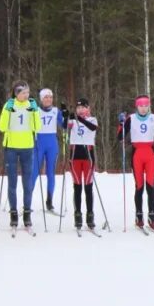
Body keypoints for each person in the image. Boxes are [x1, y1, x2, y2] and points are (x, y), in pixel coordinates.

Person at [117, 95, 154, 230]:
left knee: (150, 186)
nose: (144, 108)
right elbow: (120, 137)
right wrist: (121, 124)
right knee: (139, 187)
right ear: (137, 106)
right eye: (141, 106)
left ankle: (152, 215)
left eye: (146, 106)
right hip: (137, 154)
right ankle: (139, 215)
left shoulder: (153, 118)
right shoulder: (131, 119)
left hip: (150, 154)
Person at [0, 81, 41, 230]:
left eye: (28, 92)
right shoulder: (9, 105)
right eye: (23, 93)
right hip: (11, 147)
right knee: (12, 183)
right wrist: (7, 111)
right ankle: (13, 213)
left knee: (27, 183)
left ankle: (27, 213)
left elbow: (37, 127)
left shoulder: (31, 105)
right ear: (17, 93)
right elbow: (2, 127)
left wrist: (35, 112)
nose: (26, 95)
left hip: (27, 148)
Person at [65, 98, 98, 230]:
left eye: (83, 108)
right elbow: (64, 125)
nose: (80, 110)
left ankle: (90, 215)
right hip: (75, 156)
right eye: (78, 108)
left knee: (88, 188)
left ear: (88, 108)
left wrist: (80, 119)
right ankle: (77, 215)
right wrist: (65, 115)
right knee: (77, 187)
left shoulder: (92, 119)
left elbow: (93, 128)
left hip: (88, 156)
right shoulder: (73, 120)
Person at [31, 88, 64, 212]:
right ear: (41, 99)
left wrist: (66, 115)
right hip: (38, 143)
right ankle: (27, 202)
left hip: (52, 144)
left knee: (51, 173)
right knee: (34, 172)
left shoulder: (56, 111)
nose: (48, 99)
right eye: (45, 97)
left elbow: (65, 125)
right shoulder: (36, 111)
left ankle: (49, 201)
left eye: (50, 97)